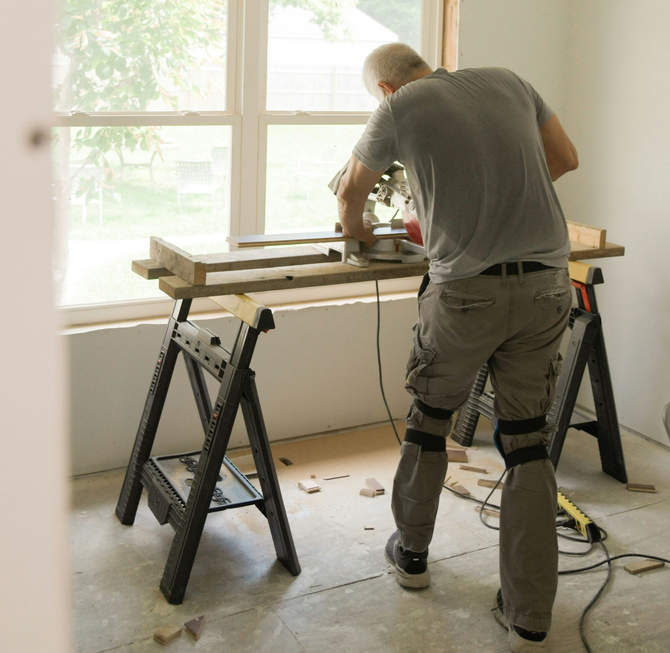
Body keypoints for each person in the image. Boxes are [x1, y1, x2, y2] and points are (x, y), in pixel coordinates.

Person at [336, 43, 578, 652]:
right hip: (548, 284)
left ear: (387, 89)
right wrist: (496, 193)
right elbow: (565, 159)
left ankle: (411, 558)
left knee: (429, 421)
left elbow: (350, 196)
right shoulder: (510, 77)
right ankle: (529, 616)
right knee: (526, 440)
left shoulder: (400, 107)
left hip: (466, 295)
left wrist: (360, 239)